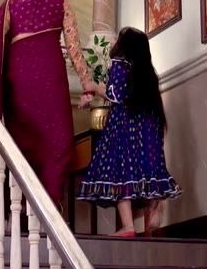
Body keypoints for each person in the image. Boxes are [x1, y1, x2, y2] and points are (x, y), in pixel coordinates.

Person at [0, 0, 92, 210]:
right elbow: (74, 49)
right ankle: (48, 205)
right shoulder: (61, 4)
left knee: (23, 141)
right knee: (59, 141)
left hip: (19, 79)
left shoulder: (13, 3)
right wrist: (86, 83)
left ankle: (23, 207)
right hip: (50, 79)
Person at [78, 27, 182, 237]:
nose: (114, 42)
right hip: (147, 128)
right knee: (145, 173)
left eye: (117, 39)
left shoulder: (119, 64)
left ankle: (128, 227)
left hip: (124, 129)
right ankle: (154, 204)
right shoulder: (146, 73)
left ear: (124, 46)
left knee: (119, 174)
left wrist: (94, 87)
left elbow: (116, 94)